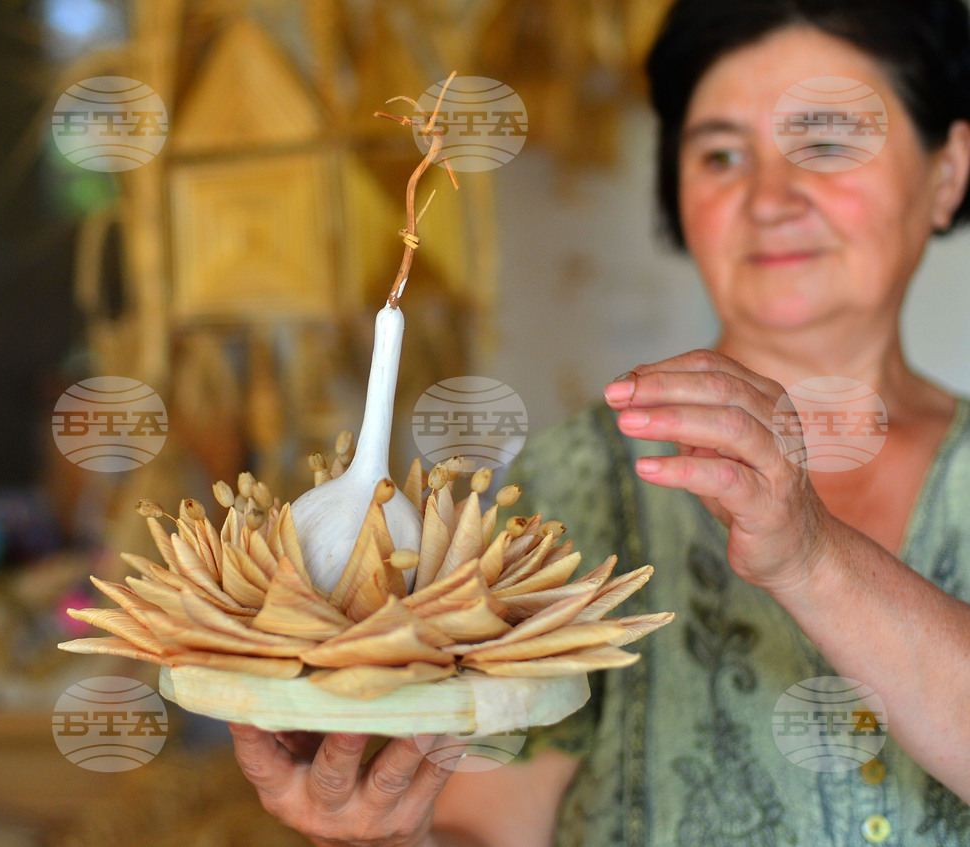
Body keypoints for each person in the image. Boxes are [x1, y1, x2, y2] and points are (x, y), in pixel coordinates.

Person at [229, 0, 970, 843]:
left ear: (948, 170)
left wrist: (811, 554)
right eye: (722, 153)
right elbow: (488, 823)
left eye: (827, 144)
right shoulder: (575, 482)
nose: (770, 198)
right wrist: (389, 830)